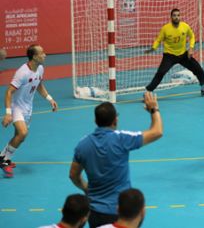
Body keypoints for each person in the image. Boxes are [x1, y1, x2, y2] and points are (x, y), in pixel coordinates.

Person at [69, 92, 163, 228]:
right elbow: (157, 131)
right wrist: (154, 109)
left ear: (96, 121)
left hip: (95, 212)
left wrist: (86, 189)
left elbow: (73, 175)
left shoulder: (82, 145)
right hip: (120, 212)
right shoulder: (121, 139)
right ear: (115, 120)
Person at [0, 44, 58, 178]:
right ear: (34, 56)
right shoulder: (22, 72)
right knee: (23, 133)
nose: (45, 55)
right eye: (42, 53)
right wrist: (8, 113)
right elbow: (9, 92)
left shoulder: (40, 68)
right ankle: (4, 161)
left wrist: (50, 99)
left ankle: (3, 157)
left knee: (19, 138)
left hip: (28, 108)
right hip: (17, 107)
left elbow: (39, 85)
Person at [144, 8, 204, 97]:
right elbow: (158, 40)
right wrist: (153, 48)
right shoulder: (165, 28)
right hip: (169, 56)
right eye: (174, 15)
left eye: (178, 15)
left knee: (199, 70)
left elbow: (192, 36)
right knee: (160, 73)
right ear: (171, 17)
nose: (176, 17)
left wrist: (191, 48)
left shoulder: (185, 26)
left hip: (183, 55)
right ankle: (148, 92)